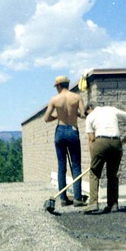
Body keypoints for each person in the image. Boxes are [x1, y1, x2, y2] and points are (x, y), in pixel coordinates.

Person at [44, 75, 87, 207]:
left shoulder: (55, 99)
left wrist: (57, 116)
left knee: (61, 166)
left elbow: (46, 118)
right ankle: (78, 198)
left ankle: (63, 198)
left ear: (58, 86)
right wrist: (76, 114)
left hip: (60, 131)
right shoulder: (77, 97)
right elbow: (84, 114)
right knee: (76, 165)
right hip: (73, 130)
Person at [83, 103, 126, 213]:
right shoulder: (112, 109)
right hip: (116, 143)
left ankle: (93, 203)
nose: (85, 115)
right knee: (112, 175)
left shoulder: (90, 117)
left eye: (85, 112)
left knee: (94, 173)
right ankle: (113, 204)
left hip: (101, 142)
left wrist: (94, 159)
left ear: (89, 109)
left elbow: (92, 139)